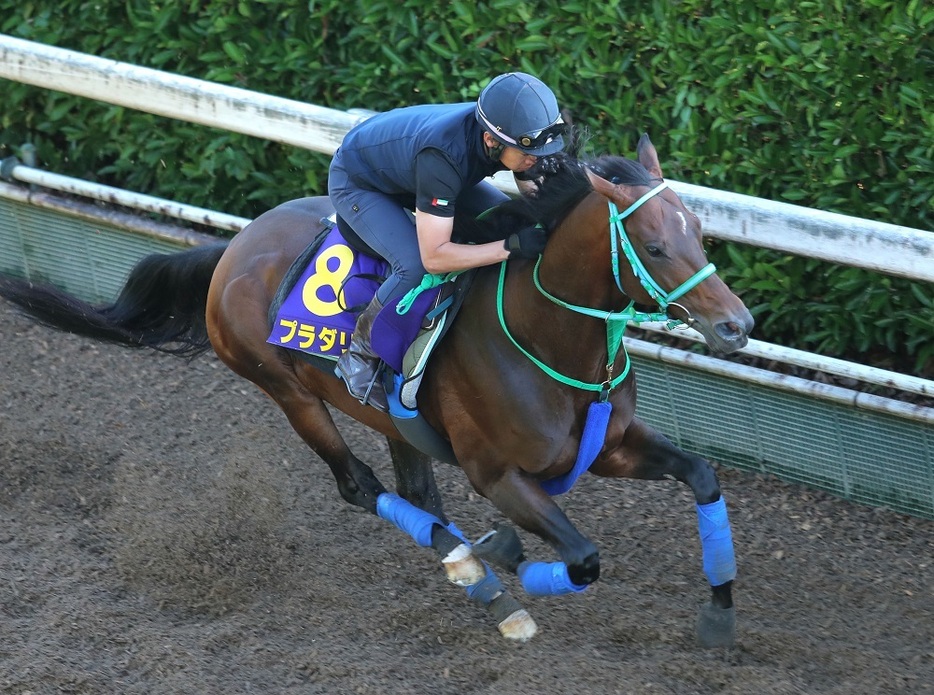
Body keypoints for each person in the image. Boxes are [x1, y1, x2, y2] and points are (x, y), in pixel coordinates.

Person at [328, 71, 566, 411]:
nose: (535, 160)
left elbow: (532, 184)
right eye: (528, 153)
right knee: (411, 266)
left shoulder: (507, 133)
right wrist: (509, 247)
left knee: (507, 218)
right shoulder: (443, 155)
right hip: (360, 182)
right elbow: (434, 258)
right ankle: (359, 356)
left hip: (418, 169)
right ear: (490, 141)